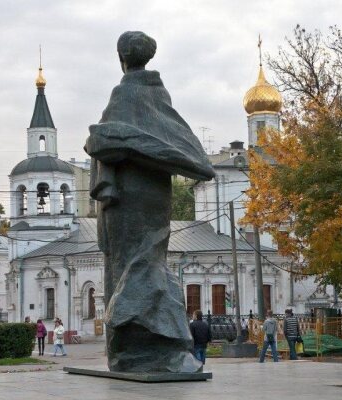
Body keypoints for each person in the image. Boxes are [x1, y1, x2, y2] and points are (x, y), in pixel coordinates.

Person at [85, 31, 214, 373]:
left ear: (121, 58)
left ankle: (159, 344)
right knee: (143, 259)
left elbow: (116, 142)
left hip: (129, 192)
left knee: (134, 262)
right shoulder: (158, 94)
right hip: (153, 192)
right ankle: (141, 348)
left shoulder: (124, 93)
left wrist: (116, 142)